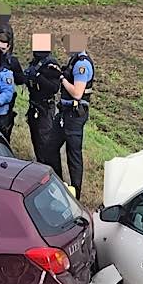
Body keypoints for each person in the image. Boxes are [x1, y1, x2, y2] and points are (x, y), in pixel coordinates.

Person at [54, 32, 95, 198]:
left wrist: (62, 78)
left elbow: (77, 93)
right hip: (65, 113)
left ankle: (75, 193)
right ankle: (57, 184)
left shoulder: (81, 65)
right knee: (49, 147)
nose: (64, 49)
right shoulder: (74, 61)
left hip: (74, 115)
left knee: (73, 155)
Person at [24, 32, 63, 171]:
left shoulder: (51, 64)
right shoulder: (34, 62)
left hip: (45, 108)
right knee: (36, 142)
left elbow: (54, 87)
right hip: (34, 106)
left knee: (45, 143)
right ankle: (41, 169)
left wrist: (39, 76)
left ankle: (54, 175)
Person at [0, 28, 25, 142]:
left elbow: (20, 80)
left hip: (5, 106)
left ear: (8, 47)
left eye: (2, 49)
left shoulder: (12, 61)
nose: (0, 52)